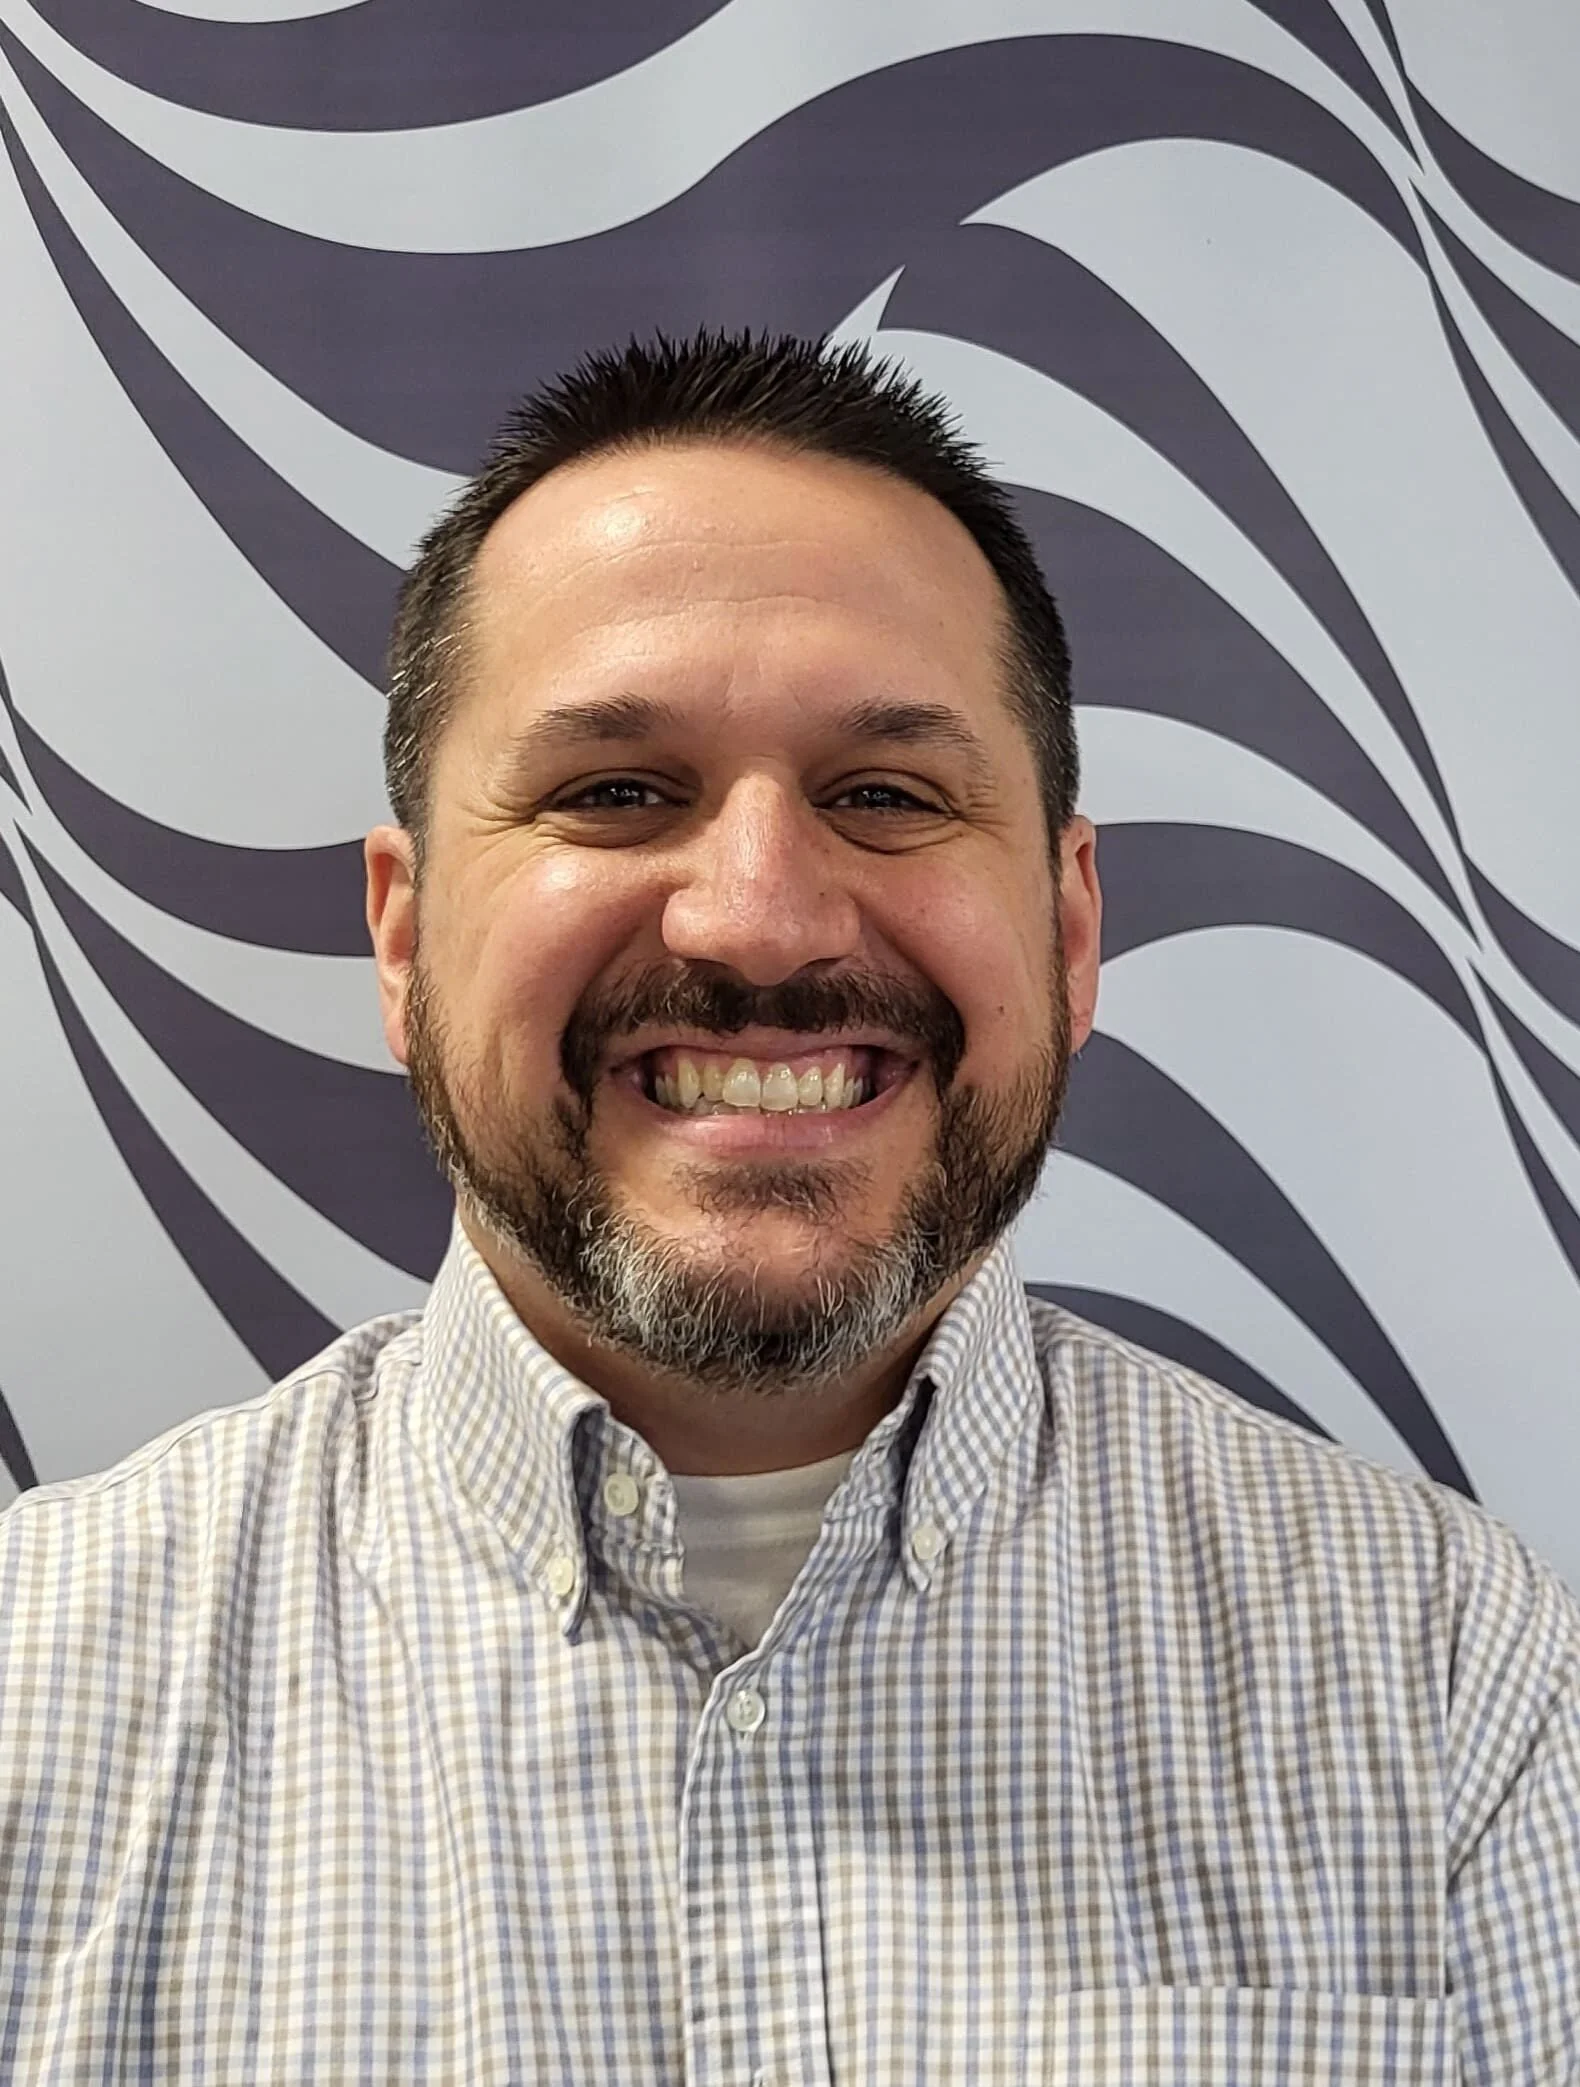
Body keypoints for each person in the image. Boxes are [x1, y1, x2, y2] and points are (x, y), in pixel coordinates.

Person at [1, 331, 1575, 2084]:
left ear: (1067, 929)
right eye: (615, 792)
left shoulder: (1454, 1686)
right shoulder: (35, 1699)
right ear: (401, 934)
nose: (758, 919)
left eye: (887, 796)